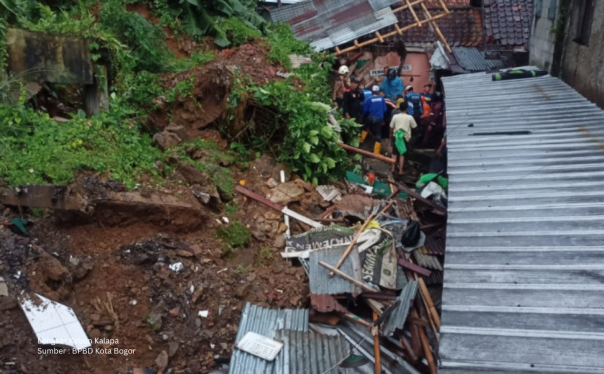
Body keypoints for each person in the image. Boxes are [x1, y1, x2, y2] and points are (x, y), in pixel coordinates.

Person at [389, 102, 417, 175]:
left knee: (394, 153)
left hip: (396, 137)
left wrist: (391, 136)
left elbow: (391, 127)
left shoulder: (395, 116)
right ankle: (400, 170)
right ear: (406, 109)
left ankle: (393, 169)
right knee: (402, 154)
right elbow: (415, 127)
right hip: (405, 137)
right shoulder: (410, 117)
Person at [361, 85, 387, 155]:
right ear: (378, 92)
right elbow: (385, 110)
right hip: (379, 119)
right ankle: (376, 152)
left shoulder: (369, 99)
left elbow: (365, 111)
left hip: (370, 117)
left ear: (372, 92)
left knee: (364, 128)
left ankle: (360, 142)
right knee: (378, 134)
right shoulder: (382, 99)